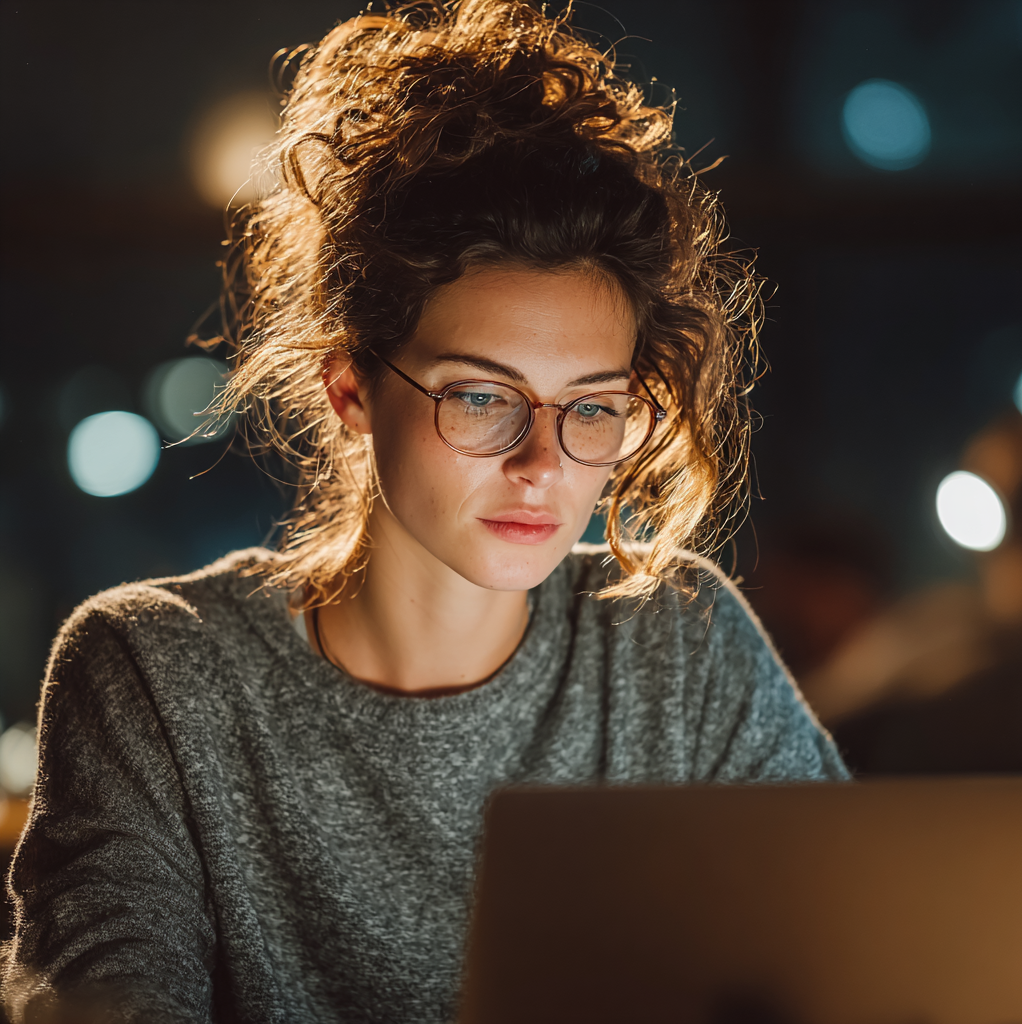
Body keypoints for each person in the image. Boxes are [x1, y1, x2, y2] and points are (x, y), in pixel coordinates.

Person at [2, 2, 847, 1021]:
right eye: (482, 397)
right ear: (351, 389)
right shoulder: (156, 674)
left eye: (592, 408)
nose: (543, 462)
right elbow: (105, 996)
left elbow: (853, 962)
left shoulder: (678, 645)